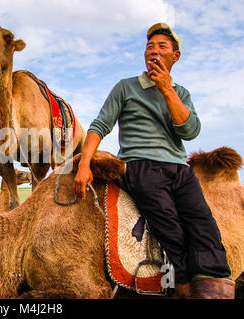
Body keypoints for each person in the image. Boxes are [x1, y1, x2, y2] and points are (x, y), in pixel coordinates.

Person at [74, 23, 234, 298]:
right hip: (141, 166)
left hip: (180, 169)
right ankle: (182, 289)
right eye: (150, 46)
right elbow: (100, 125)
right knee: (171, 229)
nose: (154, 51)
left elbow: (190, 131)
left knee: (204, 227)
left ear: (176, 56)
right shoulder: (126, 88)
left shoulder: (181, 93)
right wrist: (84, 163)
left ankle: (213, 291)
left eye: (162, 47)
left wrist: (166, 89)